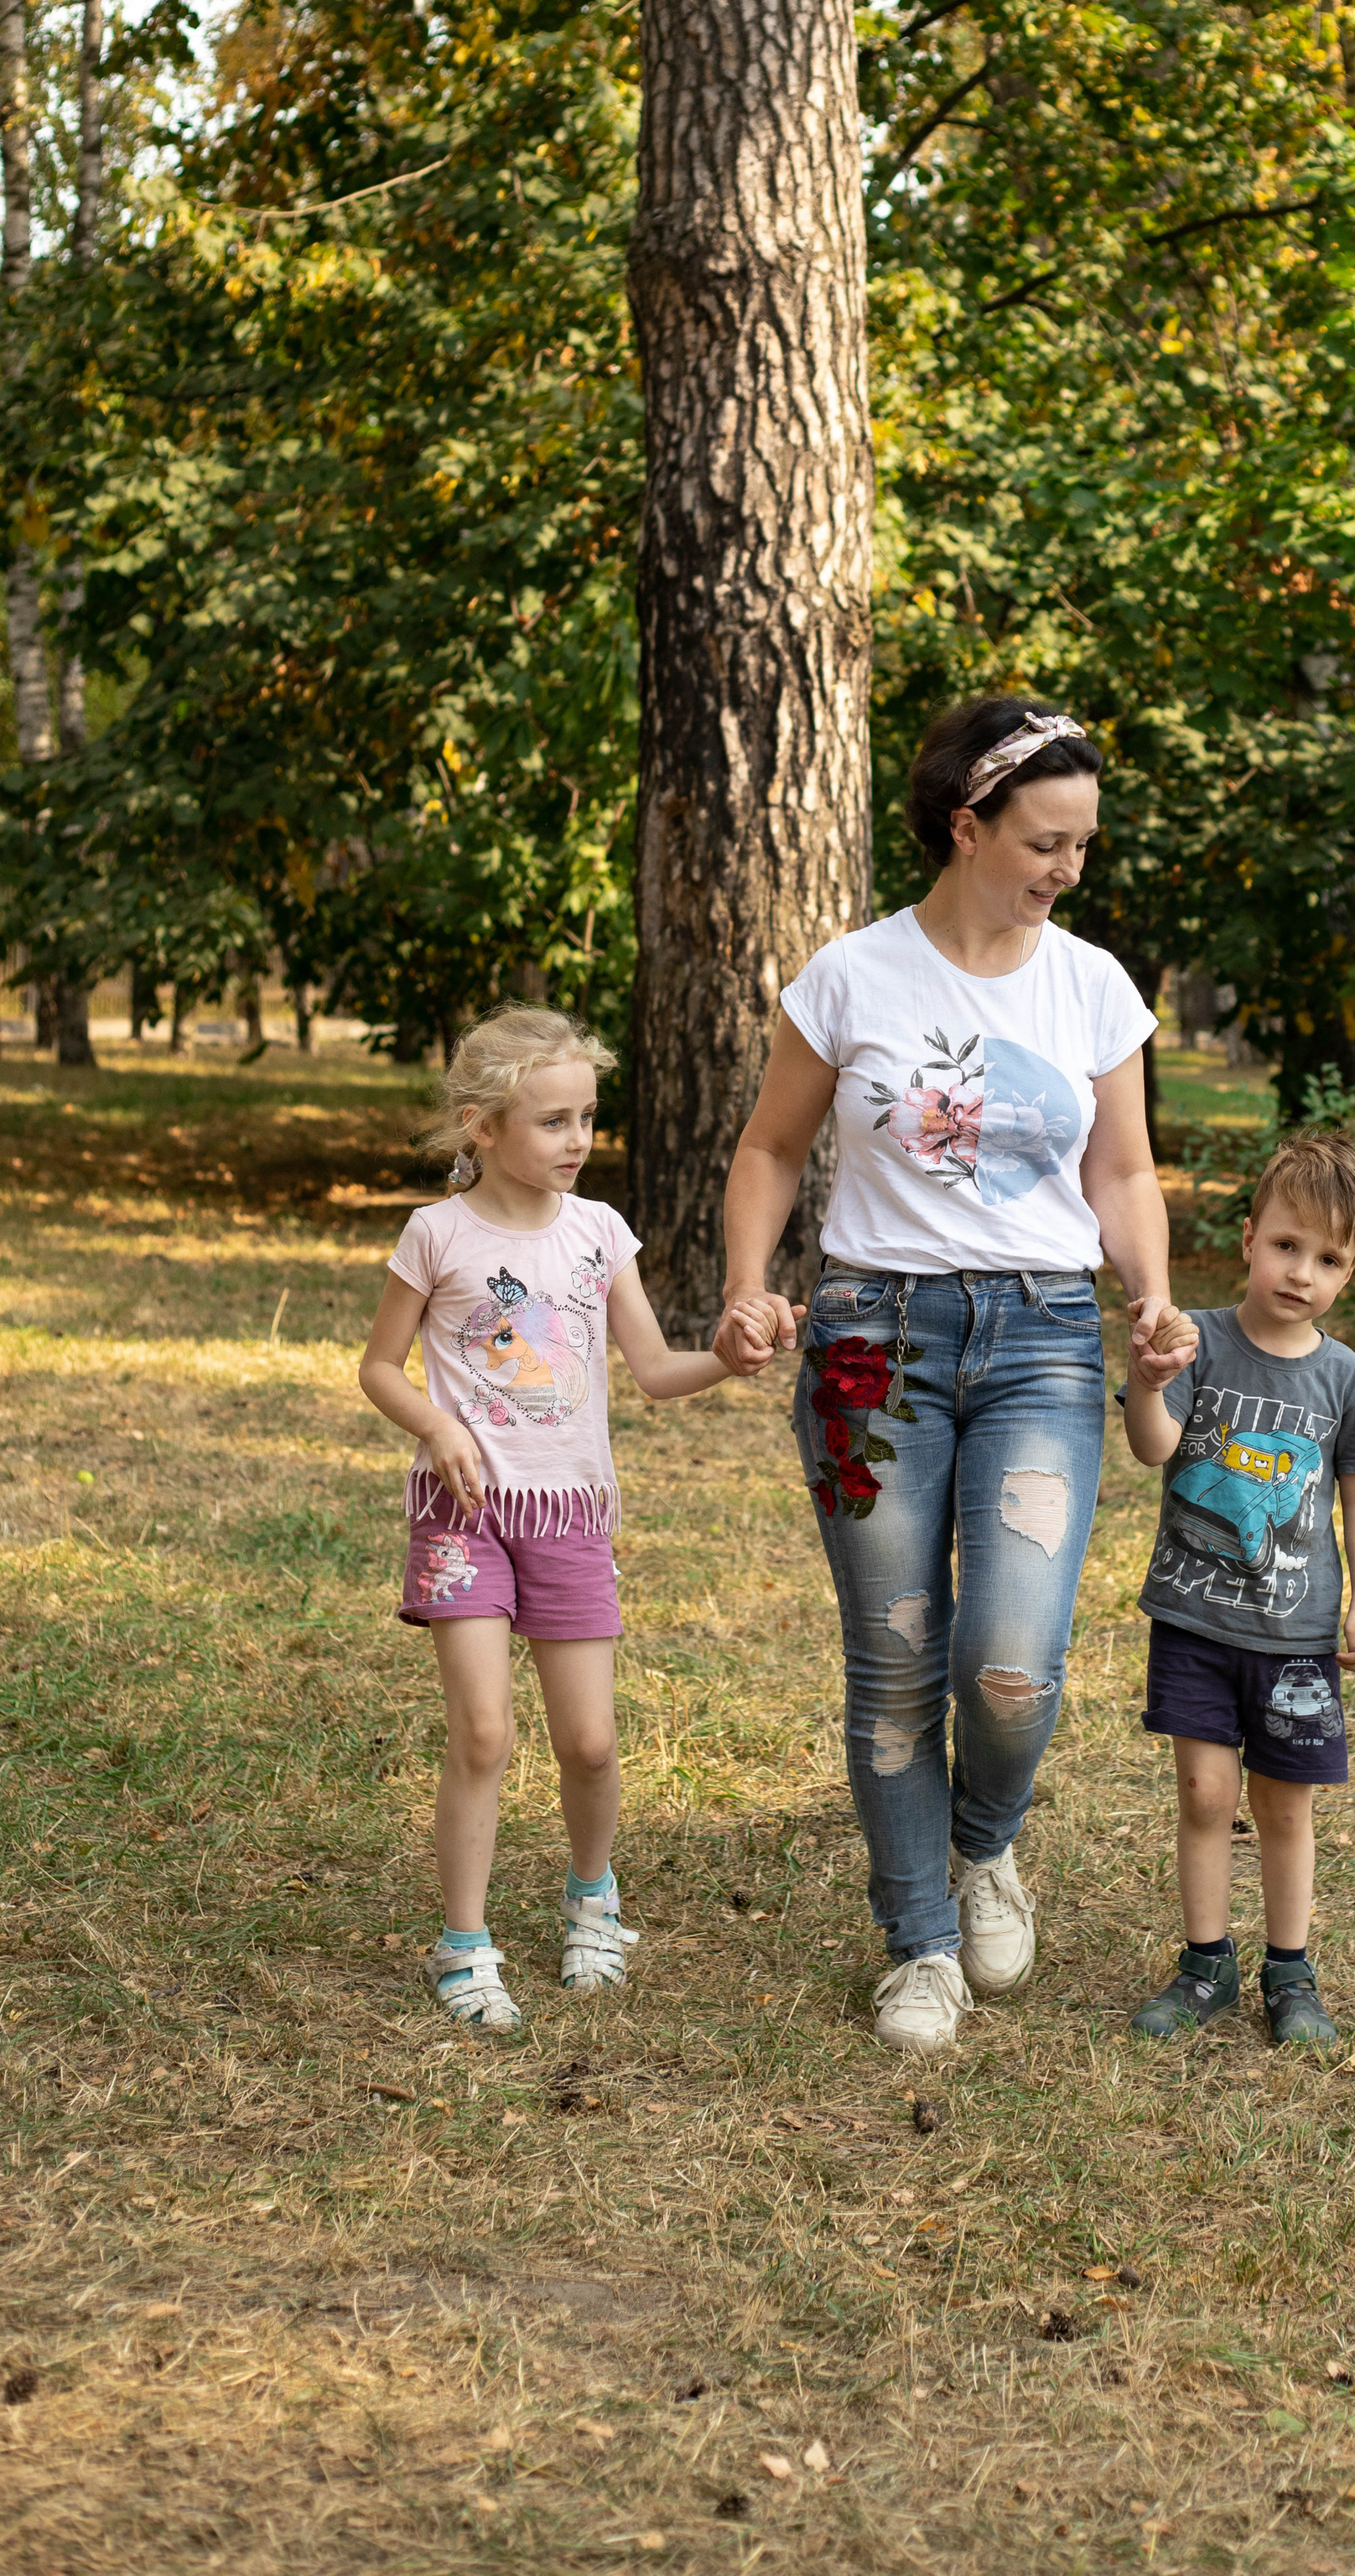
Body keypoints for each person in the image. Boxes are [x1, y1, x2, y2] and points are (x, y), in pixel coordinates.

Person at [714, 695, 1197, 2059]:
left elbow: (1120, 1171)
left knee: (1009, 1671)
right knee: (894, 1660)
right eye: (1045, 841)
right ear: (966, 826)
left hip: (1045, 1338)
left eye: (1086, 846)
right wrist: (751, 1284)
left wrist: (1149, 1295)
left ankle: (986, 1845)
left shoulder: (1091, 984)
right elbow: (767, 1150)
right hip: (873, 1348)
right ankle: (919, 1938)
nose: (1067, 870)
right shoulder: (852, 978)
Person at [360, 1005, 769, 2032]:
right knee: (484, 1732)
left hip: (569, 1516)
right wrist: (433, 1426)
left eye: (586, 1117)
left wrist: (727, 1354)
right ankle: (464, 1942)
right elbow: (377, 1366)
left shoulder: (600, 1235)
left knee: (587, 1741)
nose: (578, 1140)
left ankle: (594, 1897)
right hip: (463, 1514)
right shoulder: (436, 1235)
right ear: (481, 1127)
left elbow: (656, 1370)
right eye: (552, 1121)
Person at [1121, 1130, 1355, 2049]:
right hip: (1194, 1620)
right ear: (1248, 1239)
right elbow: (1154, 1448)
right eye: (1286, 1245)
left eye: (1327, 1259)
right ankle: (1205, 1965)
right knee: (1203, 1793)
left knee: (1283, 1803)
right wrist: (1147, 1379)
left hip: (1296, 1635)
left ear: (1348, 1273)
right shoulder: (1198, 1340)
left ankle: (1290, 1970)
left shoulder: (1344, 1380)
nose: (1300, 1273)